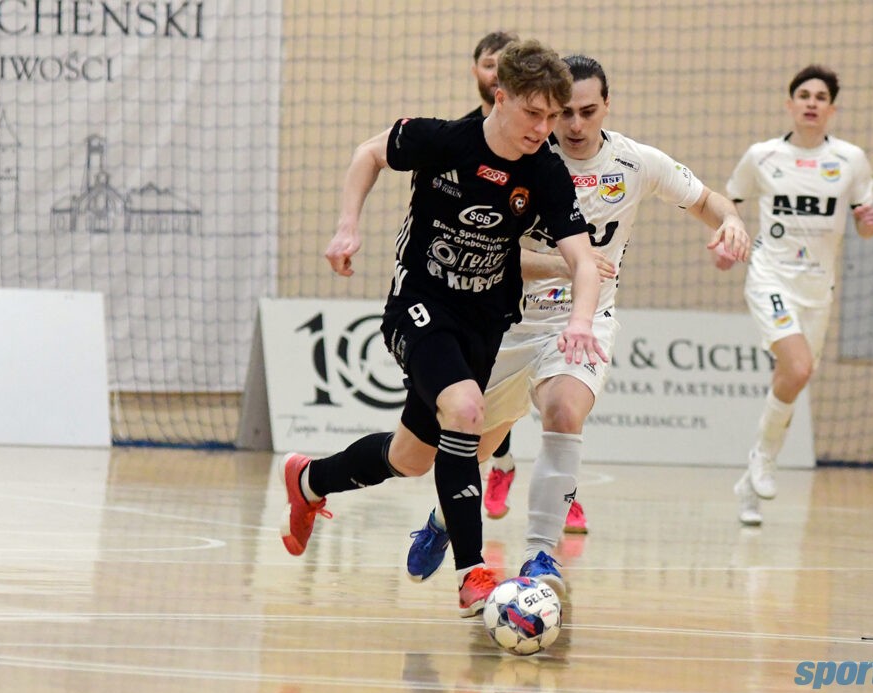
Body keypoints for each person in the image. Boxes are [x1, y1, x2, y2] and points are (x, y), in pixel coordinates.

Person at [277, 39, 607, 618]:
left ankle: (309, 480)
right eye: (533, 113)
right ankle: (472, 572)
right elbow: (368, 153)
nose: (543, 128)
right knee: (466, 410)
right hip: (420, 304)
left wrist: (581, 320)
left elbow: (582, 259)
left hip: (486, 320)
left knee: (411, 458)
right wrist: (347, 226)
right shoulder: (444, 139)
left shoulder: (546, 171)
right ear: (500, 97)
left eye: (552, 116)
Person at [407, 54, 751, 592]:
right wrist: (563, 264)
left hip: (580, 323)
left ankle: (540, 556)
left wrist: (731, 223)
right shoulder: (522, 159)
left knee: (565, 411)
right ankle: (441, 521)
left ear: (606, 106)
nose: (573, 125)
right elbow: (495, 254)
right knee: (469, 449)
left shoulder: (635, 162)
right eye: (563, 112)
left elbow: (708, 200)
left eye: (587, 112)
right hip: (504, 322)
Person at [721, 64, 873, 526]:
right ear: (790, 105)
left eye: (821, 97)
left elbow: (867, 226)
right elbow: (729, 201)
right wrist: (727, 238)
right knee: (798, 366)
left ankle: (751, 480)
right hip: (770, 277)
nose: (812, 103)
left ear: (832, 109)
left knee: (793, 379)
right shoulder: (763, 156)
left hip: (817, 289)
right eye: (804, 95)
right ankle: (764, 461)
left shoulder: (850, 160)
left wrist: (868, 223)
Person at [466, 32, 589, 533]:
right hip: (486, 294)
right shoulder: (465, 141)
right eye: (487, 63)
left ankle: (561, 497)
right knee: (478, 409)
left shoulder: (546, 148)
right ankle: (498, 466)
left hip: (549, 304)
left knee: (563, 401)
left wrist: (573, 266)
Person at [465, 31, 519, 120]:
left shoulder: (536, 126)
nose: (497, 74)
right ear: (475, 71)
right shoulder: (462, 127)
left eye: (505, 65)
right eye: (489, 66)